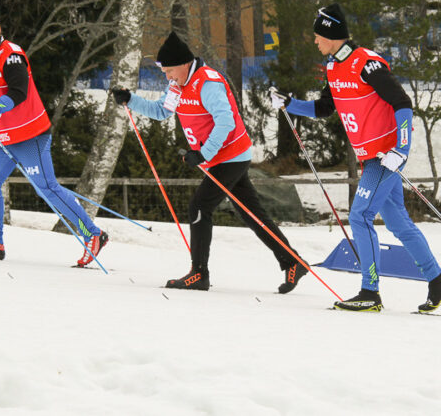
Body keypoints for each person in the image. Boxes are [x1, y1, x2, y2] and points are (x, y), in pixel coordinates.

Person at [269, 3, 441, 313]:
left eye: (318, 35)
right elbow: (324, 108)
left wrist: (402, 150)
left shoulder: (366, 63)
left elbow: (403, 103)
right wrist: (289, 104)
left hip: (385, 157)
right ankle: (437, 279)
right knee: (398, 222)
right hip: (370, 156)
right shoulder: (333, 67)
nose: (315, 41)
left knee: (359, 216)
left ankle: (370, 292)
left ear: (332, 35)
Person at [113, 32, 307, 293]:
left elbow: (225, 121)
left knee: (199, 206)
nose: (168, 77)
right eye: (165, 72)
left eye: (170, 70)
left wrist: (204, 153)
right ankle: (292, 261)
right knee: (251, 214)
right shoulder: (177, 86)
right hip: (220, 158)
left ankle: (199, 274)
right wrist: (130, 100)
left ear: (184, 64)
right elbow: (161, 111)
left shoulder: (208, 83)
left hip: (229, 156)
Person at [0, 0, 107, 266]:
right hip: (3, 137)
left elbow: (18, 94)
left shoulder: (11, 54)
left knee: (47, 188)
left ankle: (93, 234)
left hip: (30, 135)